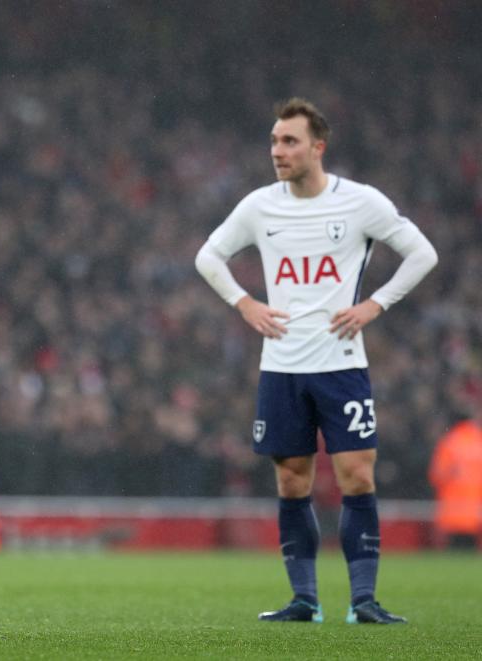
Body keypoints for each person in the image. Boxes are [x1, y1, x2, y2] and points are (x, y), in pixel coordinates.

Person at [195, 98, 438, 625]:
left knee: (356, 476)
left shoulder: (361, 203)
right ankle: (304, 600)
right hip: (281, 365)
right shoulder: (260, 206)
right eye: (274, 141)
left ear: (318, 147)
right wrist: (246, 303)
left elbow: (422, 253)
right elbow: (208, 256)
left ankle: (364, 601)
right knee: (291, 481)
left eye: (289, 141)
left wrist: (376, 304)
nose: (277, 151)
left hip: (342, 362)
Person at [429, 415, 482, 550]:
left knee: (452, 558)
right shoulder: (474, 440)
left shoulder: (450, 442)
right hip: (471, 512)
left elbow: (436, 475)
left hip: (453, 512)